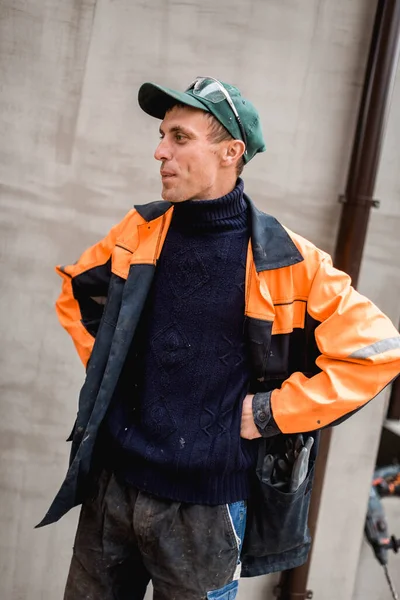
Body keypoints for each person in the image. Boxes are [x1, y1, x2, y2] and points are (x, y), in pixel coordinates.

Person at [37, 77, 400, 600]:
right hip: (112, 493)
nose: (160, 151)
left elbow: (378, 353)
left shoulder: (291, 261)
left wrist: (273, 412)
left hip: (206, 514)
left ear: (231, 151)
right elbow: (78, 293)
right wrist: (111, 371)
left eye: (180, 138)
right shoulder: (139, 232)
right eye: (163, 136)